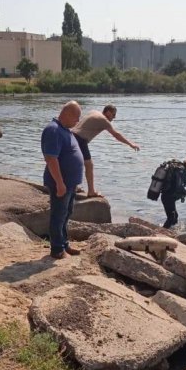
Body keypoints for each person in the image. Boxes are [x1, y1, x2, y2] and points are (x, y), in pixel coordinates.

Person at [41, 101, 84, 259]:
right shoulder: (53, 130)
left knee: (66, 213)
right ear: (67, 113)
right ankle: (57, 249)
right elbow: (51, 158)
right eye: (77, 117)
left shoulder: (65, 130)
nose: (78, 121)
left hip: (70, 183)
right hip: (61, 183)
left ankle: (64, 243)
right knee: (58, 215)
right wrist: (59, 183)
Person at [72, 104, 140, 198]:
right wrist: (131, 144)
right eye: (113, 114)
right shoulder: (104, 121)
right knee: (89, 164)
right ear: (108, 112)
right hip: (80, 139)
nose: (114, 117)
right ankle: (91, 191)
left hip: (71, 135)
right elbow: (116, 135)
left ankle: (73, 186)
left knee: (75, 162)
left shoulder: (94, 112)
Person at [159, 155, 186, 229]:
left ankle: (171, 232)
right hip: (168, 197)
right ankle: (161, 233)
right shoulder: (181, 170)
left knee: (175, 217)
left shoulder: (181, 169)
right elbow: (179, 187)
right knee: (171, 218)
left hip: (169, 197)